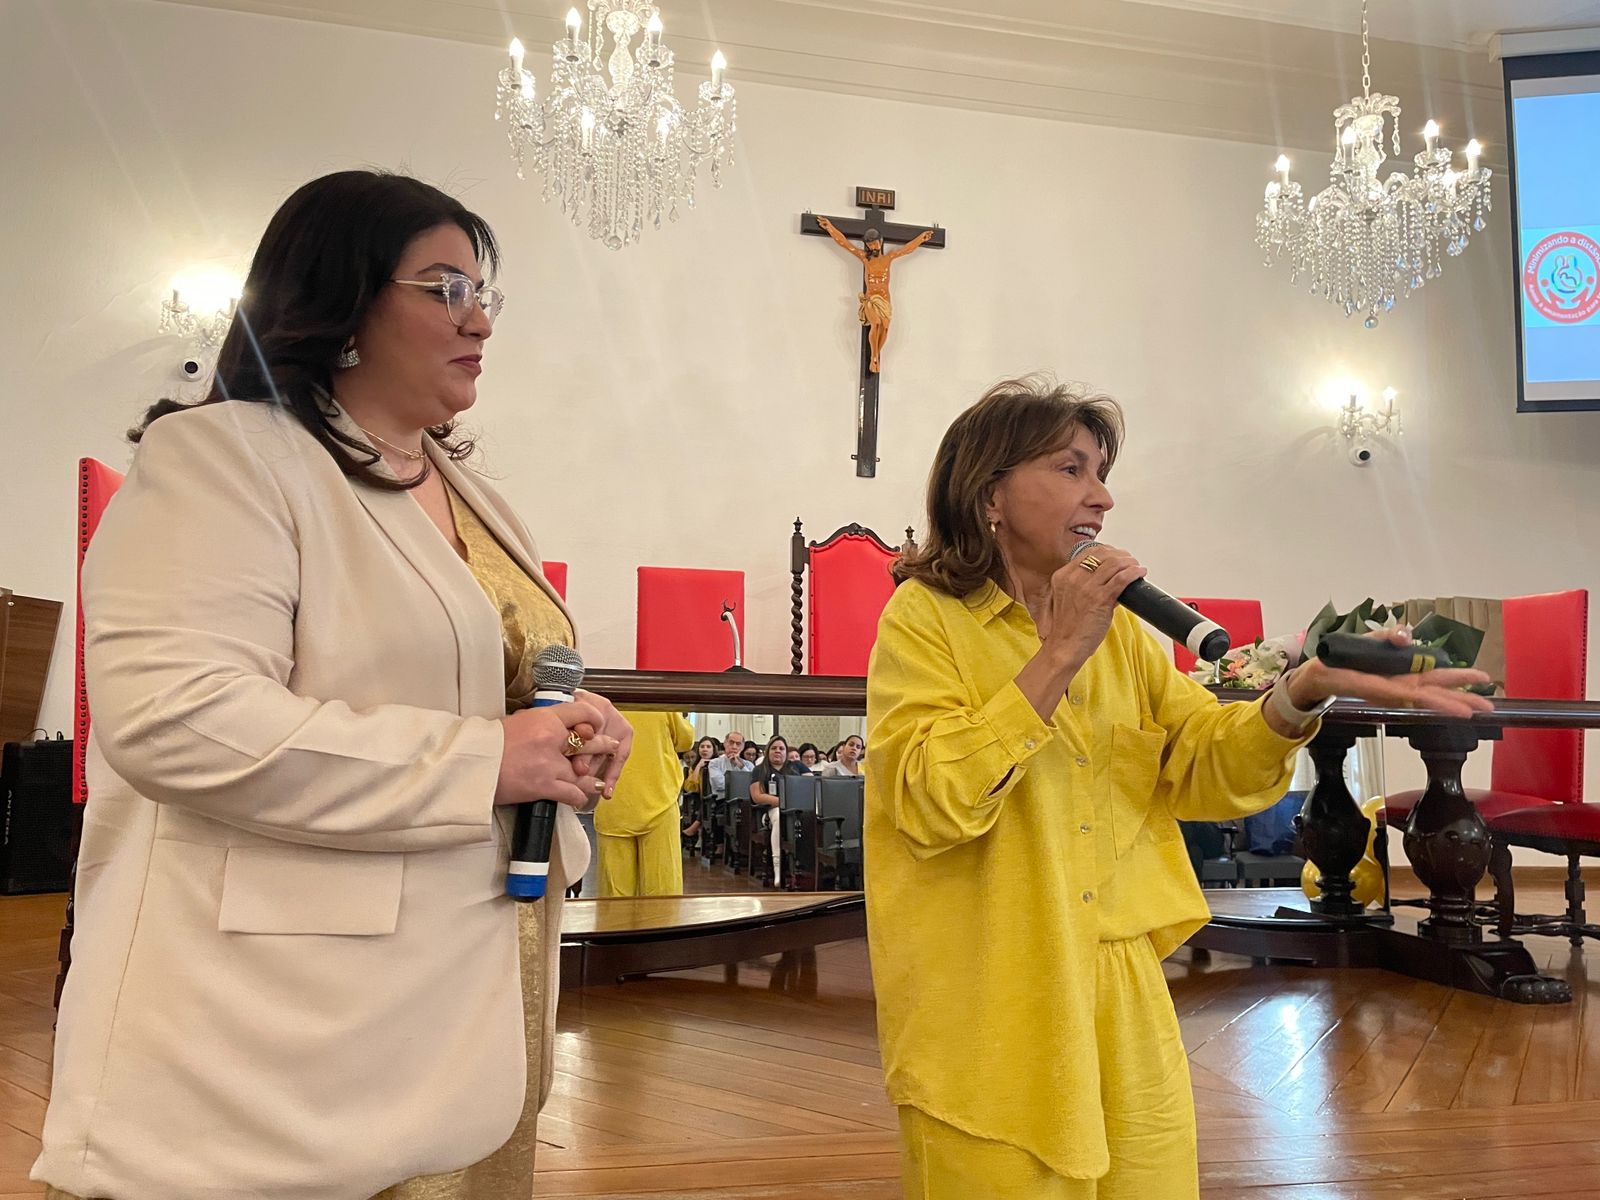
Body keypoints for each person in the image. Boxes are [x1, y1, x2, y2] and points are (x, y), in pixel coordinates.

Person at [33, 170, 634, 1200]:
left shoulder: (468, 492)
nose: (480, 320)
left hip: (471, 984)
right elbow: (179, 720)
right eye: (445, 288)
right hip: (277, 1022)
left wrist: (571, 732)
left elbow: (490, 681)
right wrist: (486, 760)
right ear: (340, 299)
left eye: (484, 292)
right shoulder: (224, 459)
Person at [864, 374, 1491, 1200]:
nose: (1103, 496)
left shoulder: (1124, 636)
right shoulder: (923, 621)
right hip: (989, 993)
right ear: (989, 494)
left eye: (1102, 472)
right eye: (1072, 469)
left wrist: (1299, 692)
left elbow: (1204, 762)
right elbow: (929, 800)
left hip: (1122, 985)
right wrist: (1058, 653)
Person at [595, 710, 695, 897]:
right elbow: (685, 740)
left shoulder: (604, 702)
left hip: (613, 800)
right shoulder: (660, 703)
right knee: (662, 890)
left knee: (614, 892)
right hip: (659, 800)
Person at [750, 736, 805, 887]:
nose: (778, 751)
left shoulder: (794, 769)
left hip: (794, 811)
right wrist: (783, 802)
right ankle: (777, 869)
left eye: (781, 748)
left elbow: (806, 786)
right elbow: (757, 796)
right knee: (779, 815)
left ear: (786, 752)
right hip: (768, 812)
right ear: (768, 751)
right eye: (774, 748)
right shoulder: (759, 770)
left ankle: (803, 869)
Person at [680, 736, 718, 843]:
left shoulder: (719, 763)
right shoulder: (695, 766)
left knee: (709, 802)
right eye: (702, 747)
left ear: (713, 749)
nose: (705, 749)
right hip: (702, 797)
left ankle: (695, 827)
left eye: (708, 747)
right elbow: (691, 787)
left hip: (717, 797)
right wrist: (698, 767)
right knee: (704, 801)